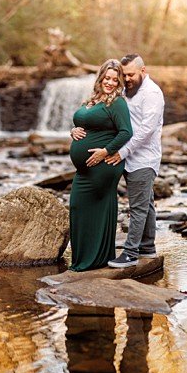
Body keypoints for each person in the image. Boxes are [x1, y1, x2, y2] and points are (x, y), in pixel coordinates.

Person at [72, 54, 164, 268]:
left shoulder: (152, 93)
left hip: (142, 157)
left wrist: (119, 152)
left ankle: (131, 253)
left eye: (130, 74)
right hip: (123, 156)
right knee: (146, 203)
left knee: (138, 207)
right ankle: (148, 248)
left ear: (143, 71)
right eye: (125, 75)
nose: (127, 79)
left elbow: (145, 131)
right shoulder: (125, 91)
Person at [65, 59, 134, 272]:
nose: (111, 83)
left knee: (95, 209)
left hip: (104, 166)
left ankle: (92, 261)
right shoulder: (93, 100)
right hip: (85, 169)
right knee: (78, 207)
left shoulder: (117, 103)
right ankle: (84, 259)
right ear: (101, 77)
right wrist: (73, 130)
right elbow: (81, 123)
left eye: (115, 79)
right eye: (107, 78)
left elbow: (126, 132)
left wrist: (106, 151)